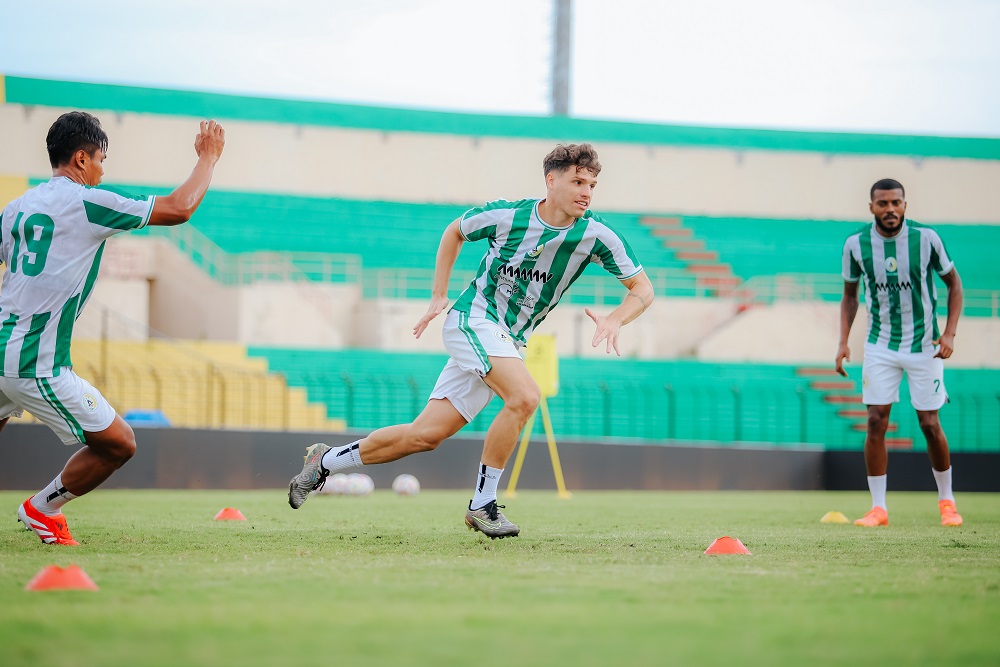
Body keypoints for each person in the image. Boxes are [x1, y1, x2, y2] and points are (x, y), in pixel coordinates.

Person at [288, 143, 654, 538]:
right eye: (578, 181)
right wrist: (439, 294)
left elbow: (643, 289)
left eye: (593, 184)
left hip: (508, 340)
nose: (587, 191)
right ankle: (483, 505)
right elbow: (455, 232)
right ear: (551, 180)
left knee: (425, 436)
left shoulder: (596, 235)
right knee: (526, 397)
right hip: (473, 320)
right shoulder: (509, 215)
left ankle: (325, 461)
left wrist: (617, 319)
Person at [1, 111, 226, 545]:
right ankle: (42, 509)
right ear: (82, 159)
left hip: (1, 348)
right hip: (35, 362)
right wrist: (209, 158)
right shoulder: (88, 201)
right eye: (102, 159)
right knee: (120, 444)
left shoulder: (16, 208)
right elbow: (179, 208)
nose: (104, 170)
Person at [835, 178, 963, 528]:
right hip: (880, 344)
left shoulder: (927, 239)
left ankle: (947, 503)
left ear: (905, 205)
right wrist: (843, 341)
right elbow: (850, 295)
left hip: (925, 345)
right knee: (876, 420)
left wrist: (949, 333)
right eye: (883, 204)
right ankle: (878, 509)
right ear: (871, 207)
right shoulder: (855, 245)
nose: (890, 209)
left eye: (896, 203)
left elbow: (955, 285)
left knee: (929, 423)